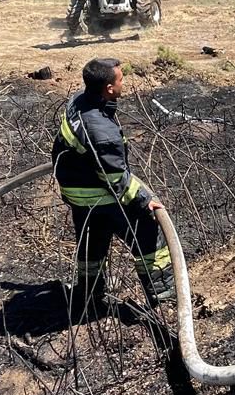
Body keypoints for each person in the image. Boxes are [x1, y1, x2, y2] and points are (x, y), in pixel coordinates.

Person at [52, 57, 174, 311]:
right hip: (99, 195)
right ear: (108, 88)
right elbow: (116, 179)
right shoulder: (102, 133)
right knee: (147, 234)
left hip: (77, 192)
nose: (123, 83)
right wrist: (143, 199)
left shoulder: (78, 101)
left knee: (91, 241)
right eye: (120, 79)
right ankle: (164, 298)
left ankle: (89, 294)